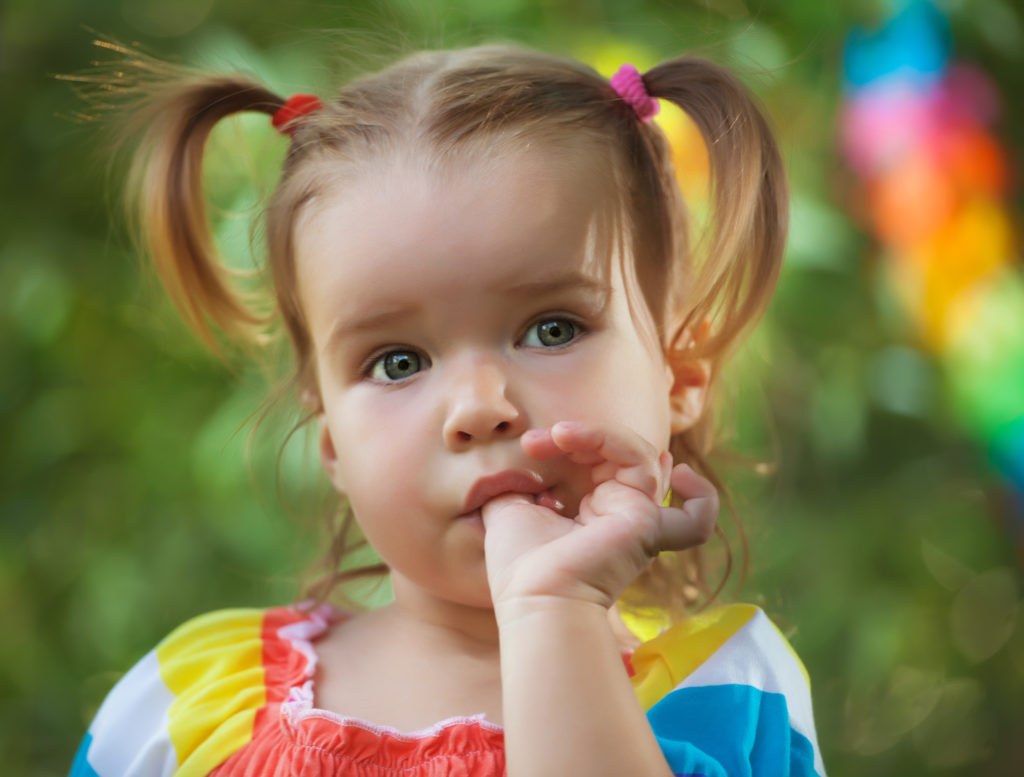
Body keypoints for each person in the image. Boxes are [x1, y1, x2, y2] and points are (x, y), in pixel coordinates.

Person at [68, 40, 826, 777]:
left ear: (680, 374)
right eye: (398, 362)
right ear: (332, 440)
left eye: (551, 329)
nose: (478, 407)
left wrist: (553, 609)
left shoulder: (729, 694)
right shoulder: (183, 705)